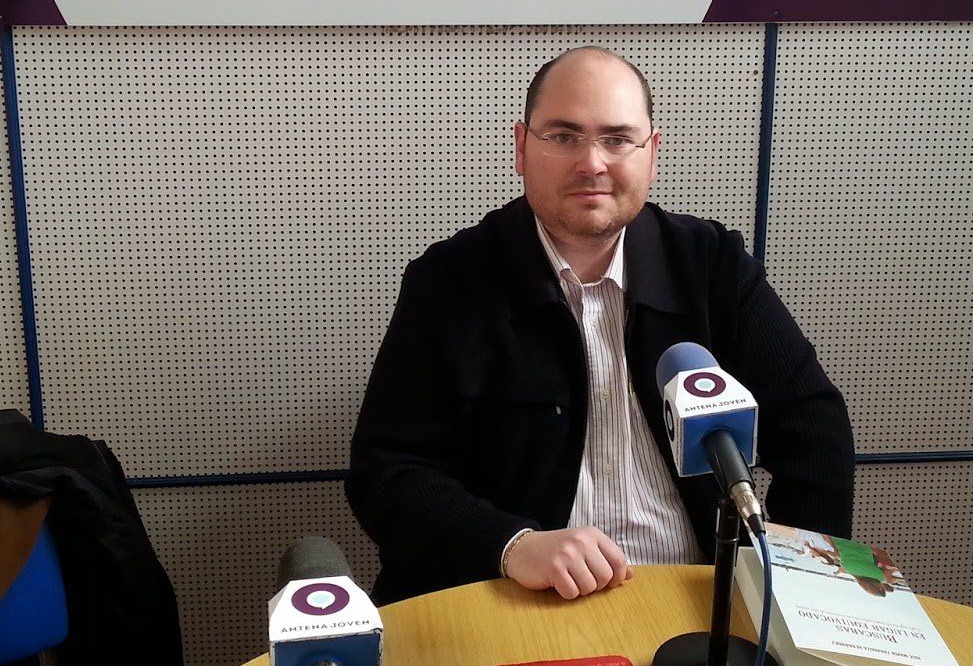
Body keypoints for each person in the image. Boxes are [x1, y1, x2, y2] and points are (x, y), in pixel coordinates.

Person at [346, 47, 854, 604]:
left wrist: (798, 592)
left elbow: (814, 428)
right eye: (564, 136)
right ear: (521, 148)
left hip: (695, 599)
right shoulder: (449, 282)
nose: (592, 163)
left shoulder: (713, 267)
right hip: (512, 599)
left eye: (617, 139)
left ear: (652, 152)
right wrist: (511, 545)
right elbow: (389, 473)